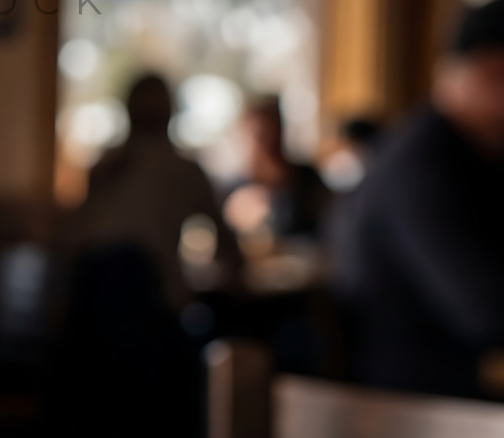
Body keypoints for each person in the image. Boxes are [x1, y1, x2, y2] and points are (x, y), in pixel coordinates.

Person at [334, 0, 504, 399]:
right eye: (498, 79)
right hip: (413, 409)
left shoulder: (480, 152)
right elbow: (487, 309)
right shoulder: (422, 166)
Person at [65, 73, 237, 309]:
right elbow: (230, 249)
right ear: (170, 113)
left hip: (88, 320)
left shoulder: (104, 167)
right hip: (155, 314)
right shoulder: (184, 171)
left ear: (128, 112)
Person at [223, 93, 330, 247]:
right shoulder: (234, 187)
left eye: (269, 132)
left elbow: (326, 228)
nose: (265, 142)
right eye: (258, 135)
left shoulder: (306, 178)